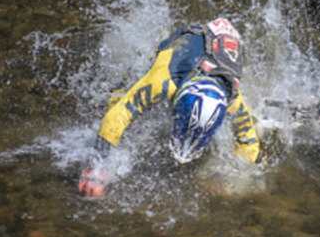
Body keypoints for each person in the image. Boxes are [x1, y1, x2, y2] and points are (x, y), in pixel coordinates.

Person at [79, 17, 262, 197]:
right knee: (120, 96)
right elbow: (117, 116)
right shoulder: (163, 80)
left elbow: (250, 146)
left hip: (223, 47)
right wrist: (96, 170)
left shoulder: (232, 100)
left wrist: (227, 180)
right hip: (189, 44)